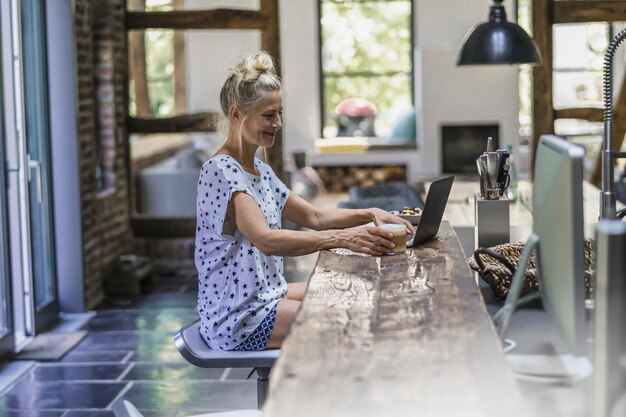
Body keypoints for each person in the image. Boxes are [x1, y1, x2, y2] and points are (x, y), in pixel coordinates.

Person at [195, 51, 414, 351]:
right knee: (348, 317)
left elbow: (314, 218)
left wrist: (372, 213)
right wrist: (343, 238)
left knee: (355, 291)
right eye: (269, 115)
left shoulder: (260, 170)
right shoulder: (220, 170)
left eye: (279, 113)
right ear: (237, 114)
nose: (279, 123)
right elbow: (266, 239)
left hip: (267, 295)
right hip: (238, 316)